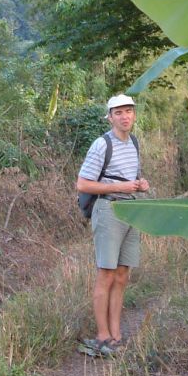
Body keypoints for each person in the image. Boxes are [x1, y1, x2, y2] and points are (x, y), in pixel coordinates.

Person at [76, 94, 150, 357]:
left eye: (128, 111)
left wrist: (141, 184)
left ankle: (116, 334)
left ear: (134, 114)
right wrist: (119, 187)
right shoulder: (101, 144)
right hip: (108, 209)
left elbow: (131, 175)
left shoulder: (134, 143)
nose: (125, 116)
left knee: (122, 275)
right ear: (109, 117)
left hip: (132, 210)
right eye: (118, 112)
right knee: (106, 274)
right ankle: (102, 335)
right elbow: (83, 184)